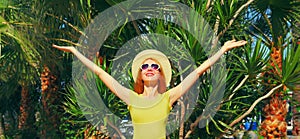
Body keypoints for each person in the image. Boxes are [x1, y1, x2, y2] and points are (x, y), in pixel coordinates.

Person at [53, 39, 247, 139]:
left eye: (155, 66)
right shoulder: (131, 97)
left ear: (161, 74)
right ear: (140, 75)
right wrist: (76, 52)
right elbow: (101, 73)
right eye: (144, 67)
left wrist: (221, 51)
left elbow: (196, 73)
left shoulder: (168, 97)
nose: (149, 69)